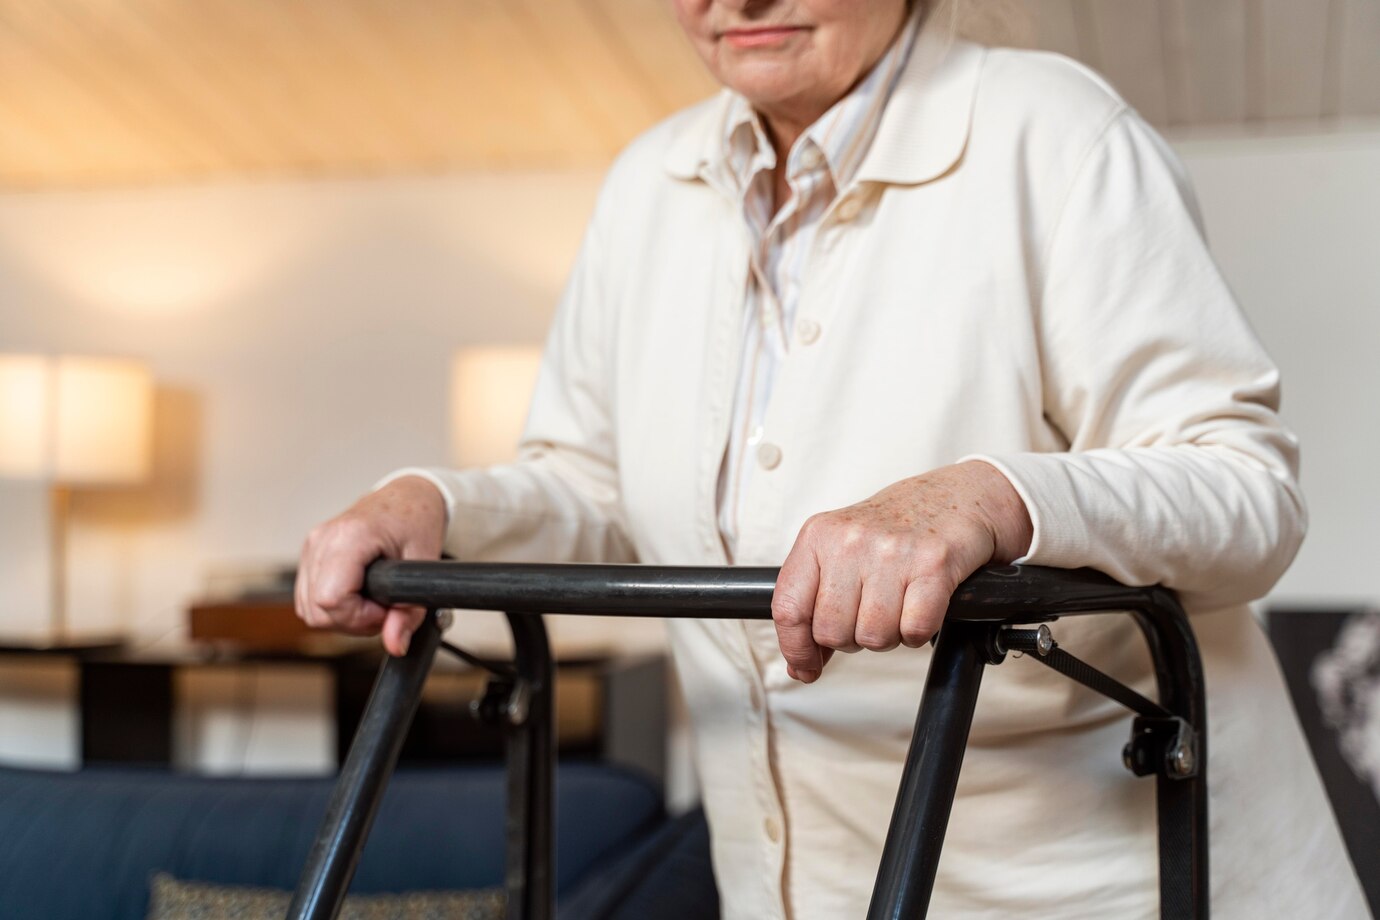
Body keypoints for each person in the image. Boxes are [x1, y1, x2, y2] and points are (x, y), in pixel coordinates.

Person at [296, 1, 1370, 917]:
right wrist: (433, 503)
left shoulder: (1058, 131)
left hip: (1116, 885)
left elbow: (1246, 485)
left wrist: (987, 495)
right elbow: (599, 490)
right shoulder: (645, 188)